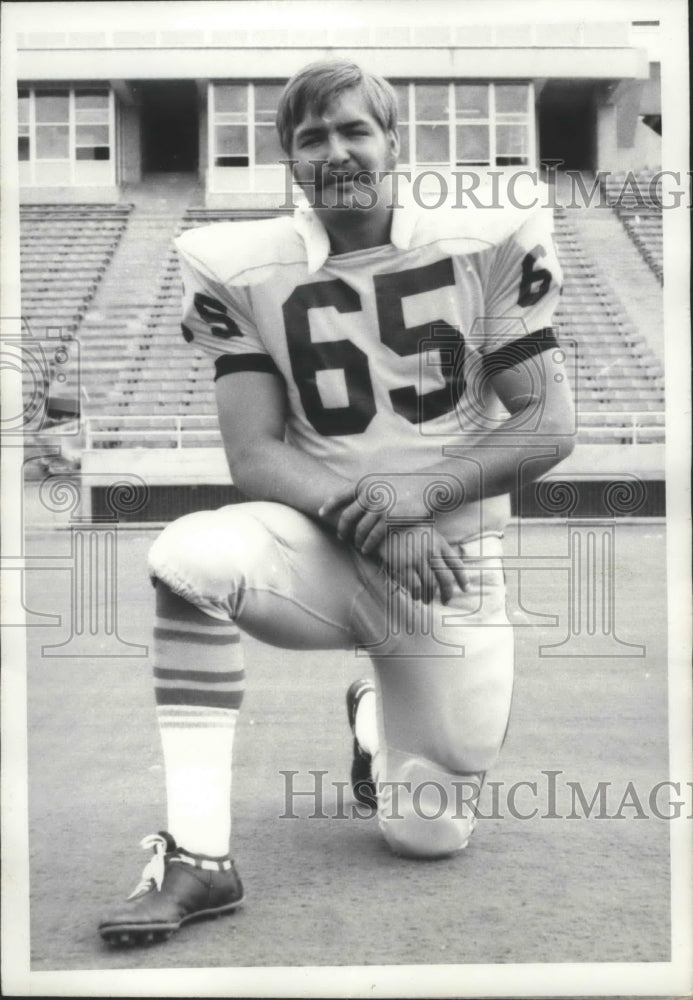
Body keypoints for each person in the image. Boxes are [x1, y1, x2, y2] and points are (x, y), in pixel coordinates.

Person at [99, 60, 574, 945]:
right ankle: (199, 857)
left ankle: (371, 716)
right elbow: (253, 455)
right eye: (312, 136)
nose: (336, 149)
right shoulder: (237, 264)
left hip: (451, 564)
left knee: (426, 834)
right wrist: (380, 516)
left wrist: (416, 497)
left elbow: (547, 423)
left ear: (394, 142)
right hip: (321, 543)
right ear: (291, 158)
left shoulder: (486, 236)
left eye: (355, 129)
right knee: (189, 557)